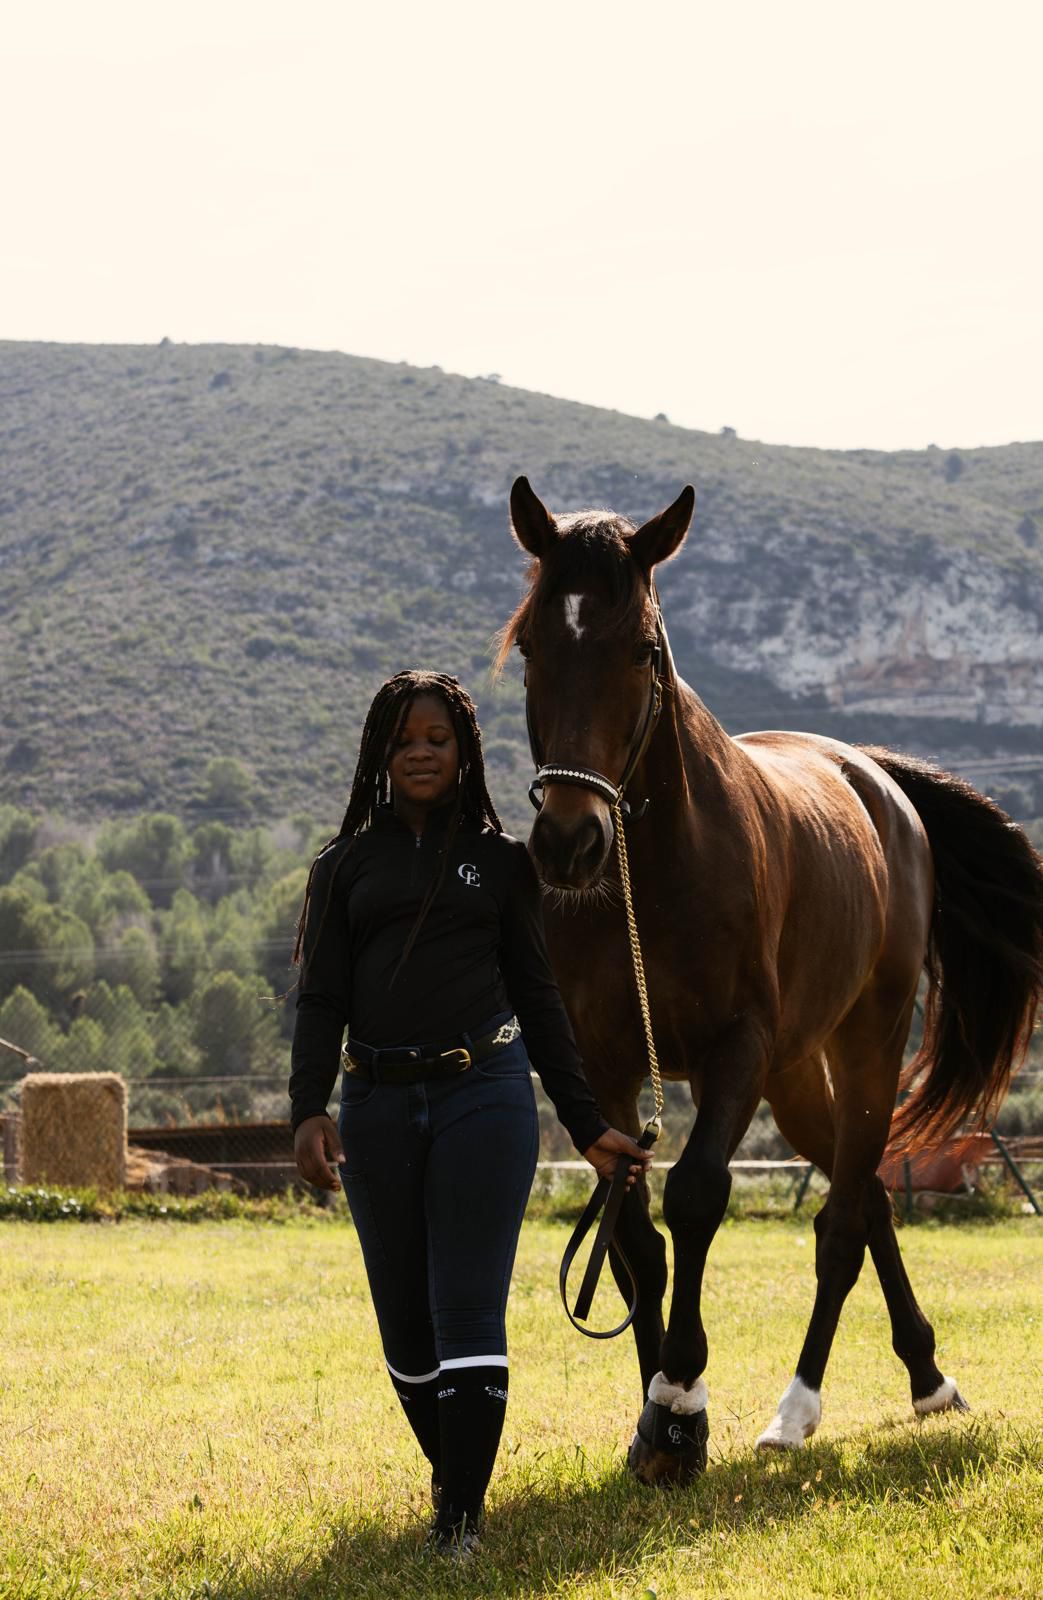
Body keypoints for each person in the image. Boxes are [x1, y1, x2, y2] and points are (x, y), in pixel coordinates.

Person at [289, 670, 649, 1556]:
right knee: (406, 1336)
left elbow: (538, 996)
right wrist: (306, 1109)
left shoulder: (500, 864)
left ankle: (458, 1525)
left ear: (464, 755)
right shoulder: (342, 869)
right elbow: (319, 996)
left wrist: (582, 1118)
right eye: (405, 738)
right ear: (381, 750)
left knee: (465, 1316)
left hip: (482, 1098)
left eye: (437, 739)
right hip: (372, 1105)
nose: (420, 750)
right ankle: (456, 1487)